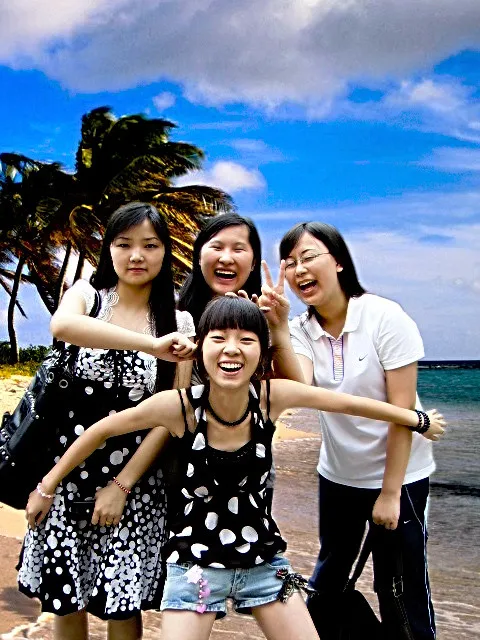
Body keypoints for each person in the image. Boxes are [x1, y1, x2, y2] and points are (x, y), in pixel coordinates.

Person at [25, 296, 446, 640]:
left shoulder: (270, 397)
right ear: (200, 347)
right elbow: (100, 431)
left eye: (246, 339)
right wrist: (46, 486)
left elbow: (348, 403)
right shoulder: (179, 407)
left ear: (261, 352)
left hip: (263, 563)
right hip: (194, 567)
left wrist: (416, 419)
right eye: (219, 338)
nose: (231, 349)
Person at [17, 202, 196, 640]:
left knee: (122, 607)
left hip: (135, 482)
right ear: (108, 250)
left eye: (150, 245)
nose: (136, 255)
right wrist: (47, 486)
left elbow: (173, 415)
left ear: (165, 251)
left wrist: (121, 486)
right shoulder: (87, 296)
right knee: (64, 600)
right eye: (124, 244)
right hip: (65, 474)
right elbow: (63, 326)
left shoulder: (179, 321)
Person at [257, 221, 439, 639]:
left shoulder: (384, 317)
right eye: (289, 263)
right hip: (339, 476)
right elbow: (302, 388)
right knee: (329, 580)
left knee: (399, 585)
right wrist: (279, 327)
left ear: (338, 261)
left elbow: (401, 412)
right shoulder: (301, 330)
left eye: (308, 257)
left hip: (402, 477)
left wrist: (390, 493)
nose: (299, 270)